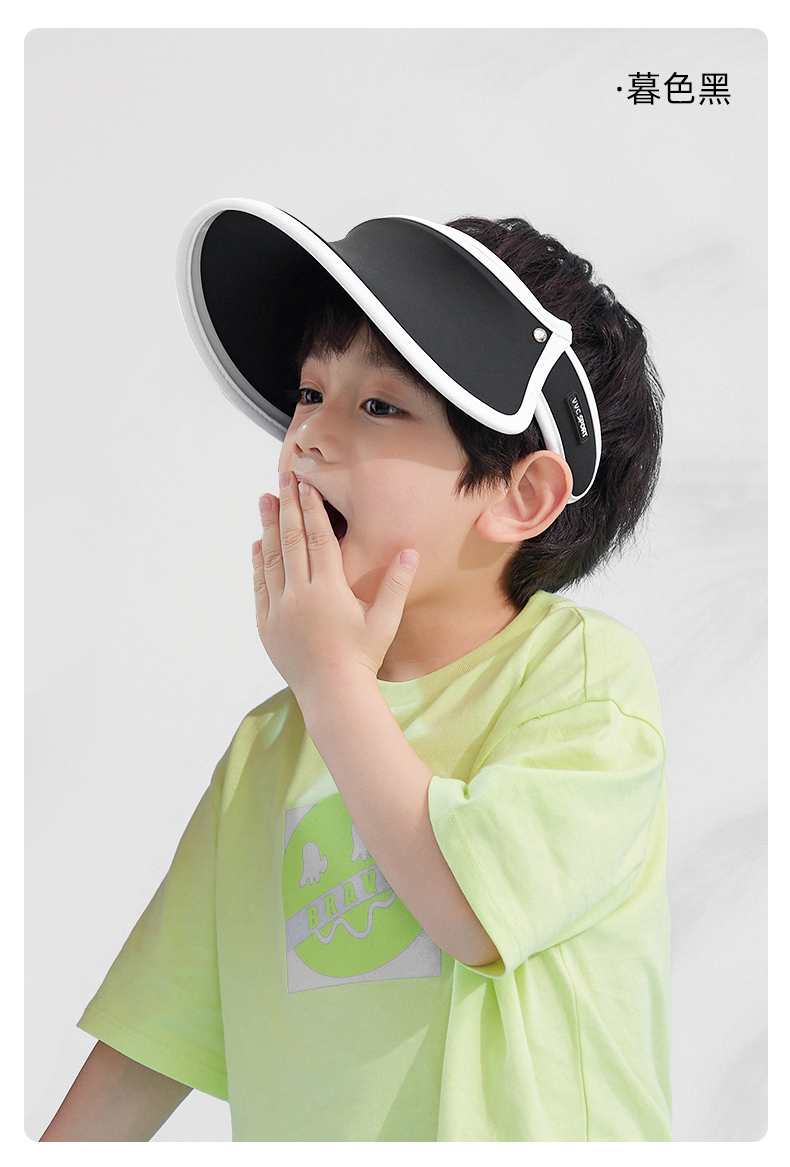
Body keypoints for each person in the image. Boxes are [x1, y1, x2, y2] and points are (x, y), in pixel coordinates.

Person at [40, 204, 671, 1141]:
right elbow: (143, 1056)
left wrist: (333, 675)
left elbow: (473, 911)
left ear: (520, 495)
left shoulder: (577, 678)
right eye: (309, 392)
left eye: (379, 405)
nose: (306, 436)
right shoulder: (269, 748)